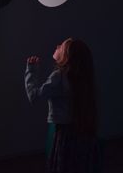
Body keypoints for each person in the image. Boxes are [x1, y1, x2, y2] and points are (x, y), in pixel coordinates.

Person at [24, 38, 103, 173]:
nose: (57, 45)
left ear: (67, 55)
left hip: (62, 134)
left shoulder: (59, 77)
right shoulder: (83, 79)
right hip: (83, 134)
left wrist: (31, 71)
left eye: (61, 46)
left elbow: (34, 96)